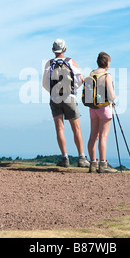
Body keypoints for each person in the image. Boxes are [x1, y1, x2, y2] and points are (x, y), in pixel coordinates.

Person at [43, 39, 90, 168]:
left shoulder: (49, 64)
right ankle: (82, 158)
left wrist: (53, 93)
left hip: (55, 98)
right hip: (69, 97)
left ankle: (65, 158)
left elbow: (45, 84)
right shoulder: (71, 62)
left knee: (59, 129)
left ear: (53, 50)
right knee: (77, 129)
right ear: (65, 49)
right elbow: (81, 80)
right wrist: (72, 90)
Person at [86, 52, 117, 173]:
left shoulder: (91, 74)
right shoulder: (106, 75)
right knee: (103, 137)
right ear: (107, 63)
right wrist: (113, 98)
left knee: (93, 136)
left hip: (92, 108)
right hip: (104, 108)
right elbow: (111, 95)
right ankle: (103, 164)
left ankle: (93, 163)